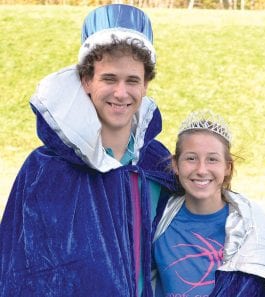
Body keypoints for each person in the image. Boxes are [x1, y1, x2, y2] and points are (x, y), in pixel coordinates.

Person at [0, 4, 175, 297]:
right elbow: (15, 270)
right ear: (86, 81)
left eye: (132, 80)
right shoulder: (43, 170)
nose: (121, 93)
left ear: (145, 85)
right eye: (109, 78)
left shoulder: (158, 165)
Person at [152, 110, 265, 297]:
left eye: (212, 159)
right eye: (191, 158)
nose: (201, 170)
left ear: (227, 167)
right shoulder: (158, 220)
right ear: (176, 164)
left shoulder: (253, 228)